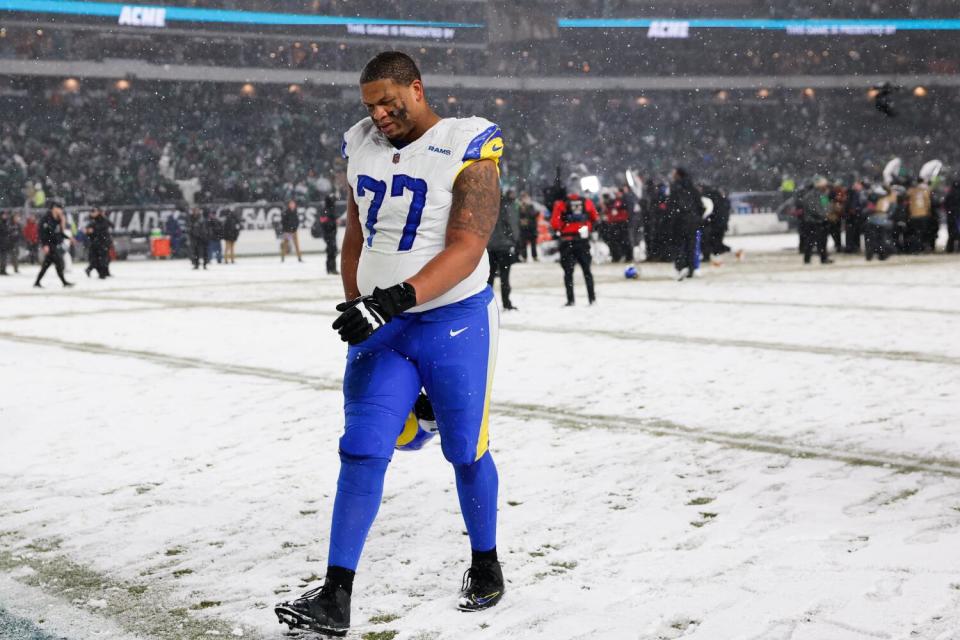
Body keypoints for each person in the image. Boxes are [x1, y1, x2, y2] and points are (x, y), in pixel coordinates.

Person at [274, 51, 506, 637]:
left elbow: (469, 243)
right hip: (384, 327)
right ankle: (335, 594)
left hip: (454, 323)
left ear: (418, 89)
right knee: (361, 448)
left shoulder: (468, 142)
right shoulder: (359, 143)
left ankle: (485, 563)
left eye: (388, 102)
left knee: (466, 450)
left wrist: (393, 299)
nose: (378, 114)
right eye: (370, 105)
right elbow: (357, 230)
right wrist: (358, 298)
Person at [550, 176, 598, 305]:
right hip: (582, 241)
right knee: (587, 271)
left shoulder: (561, 204)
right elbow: (594, 217)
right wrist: (587, 227)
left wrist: (562, 229)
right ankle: (591, 298)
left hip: (567, 241)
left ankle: (571, 299)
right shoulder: (586, 202)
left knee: (568, 272)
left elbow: (555, 223)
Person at [668, 167, 704, 280]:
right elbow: (700, 205)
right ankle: (691, 269)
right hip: (692, 221)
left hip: (679, 220)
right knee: (691, 246)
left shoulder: (675, 188)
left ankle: (681, 267)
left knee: (678, 245)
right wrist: (697, 217)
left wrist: (671, 218)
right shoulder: (693, 188)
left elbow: (672, 205)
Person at [487, 189, 519, 310]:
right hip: (504, 247)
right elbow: (512, 224)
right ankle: (506, 303)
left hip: (490, 246)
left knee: (489, 277)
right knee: (505, 277)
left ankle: (487, 304)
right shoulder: (507, 206)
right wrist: (514, 240)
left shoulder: (486, 206)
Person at [33, 200, 73, 288]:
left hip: (55, 244)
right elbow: (42, 233)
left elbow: (59, 233)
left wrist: (68, 237)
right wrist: (45, 245)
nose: (61, 210)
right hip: (50, 245)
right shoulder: (46, 219)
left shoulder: (58, 219)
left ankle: (37, 282)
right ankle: (64, 282)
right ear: (54, 208)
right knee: (58, 263)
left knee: (46, 265)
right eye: (59, 208)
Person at [799, 177, 834, 265]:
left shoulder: (822, 195)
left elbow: (826, 206)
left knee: (822, 241)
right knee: (811, 241)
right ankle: (808, 259)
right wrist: (824, 215)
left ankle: (823, 258)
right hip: (813, 221)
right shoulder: (811, 195)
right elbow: (813, 209)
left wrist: (828, 214)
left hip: (821, 221)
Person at [603, 190, 632, 263]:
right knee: (615, 240)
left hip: (622, 223)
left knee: (624, 240)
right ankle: (617, 256)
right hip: (614, 223)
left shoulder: (624, 201)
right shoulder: (613, 202)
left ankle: (628, 256)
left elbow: (624, 208)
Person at [84, 207, 112, 279]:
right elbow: (87, 231)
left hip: (102, 242)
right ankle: (99, 272)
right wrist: (88, 231)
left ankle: (103, 273)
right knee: (96, 259)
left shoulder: (102, 219)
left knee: (104, 258)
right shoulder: (90, 220)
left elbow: (106, 227)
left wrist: (93, 230)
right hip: (95, 242)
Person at [318, 193, 339, 275]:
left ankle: (330, 268)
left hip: (331, 234)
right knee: (332, 251)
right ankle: (331, 268)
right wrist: (333, 223)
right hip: (329, 234)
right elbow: (324, 222)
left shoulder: (330, 209)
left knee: (332, 251)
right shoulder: (327, 210)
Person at [515, 191, 540, 262]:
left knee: (533, 243)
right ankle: (524, 257)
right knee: (523, 244)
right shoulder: (519, 206)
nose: (525, 199)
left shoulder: (531, 206)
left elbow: (534, 215)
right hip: (523, 228)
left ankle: (534, 256)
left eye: (526, 197)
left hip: (531, 227)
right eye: (523, 197)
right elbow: (518, 216)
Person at [0, 210, 17, 275]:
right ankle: (2, 270)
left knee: (4, 258)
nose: (5, 216)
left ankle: (3, 269)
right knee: (2, 258)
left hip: (5, 243)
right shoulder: (2, 223)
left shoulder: (6, 222)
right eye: (4, 215)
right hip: (1, 243)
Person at [945, 179, 960, 254]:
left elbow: (945, 204)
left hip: (951, 215)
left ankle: (950, 248)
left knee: (951, 233)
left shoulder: (950, 194)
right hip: (958, 215)